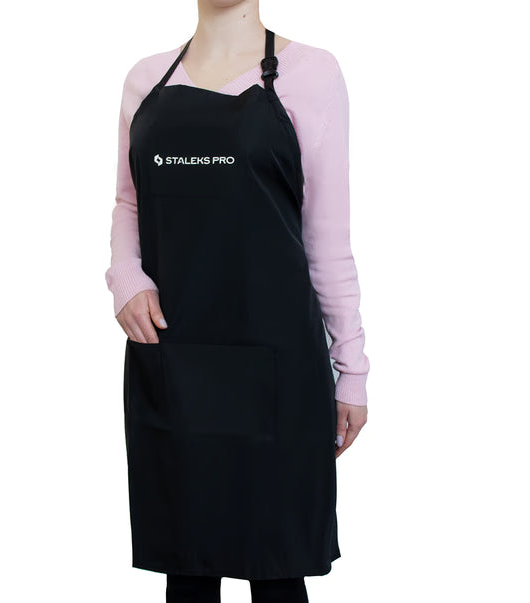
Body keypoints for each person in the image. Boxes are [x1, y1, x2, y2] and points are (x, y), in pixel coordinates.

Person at [105, 3, 370, 602]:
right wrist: (126, 277)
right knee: (187, 567)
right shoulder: (145, 79)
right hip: (174, 357)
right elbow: (129, 202)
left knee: (277, 571)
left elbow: (327, 238)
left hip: (278, 369)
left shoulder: (312, 73)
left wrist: (351, 370)